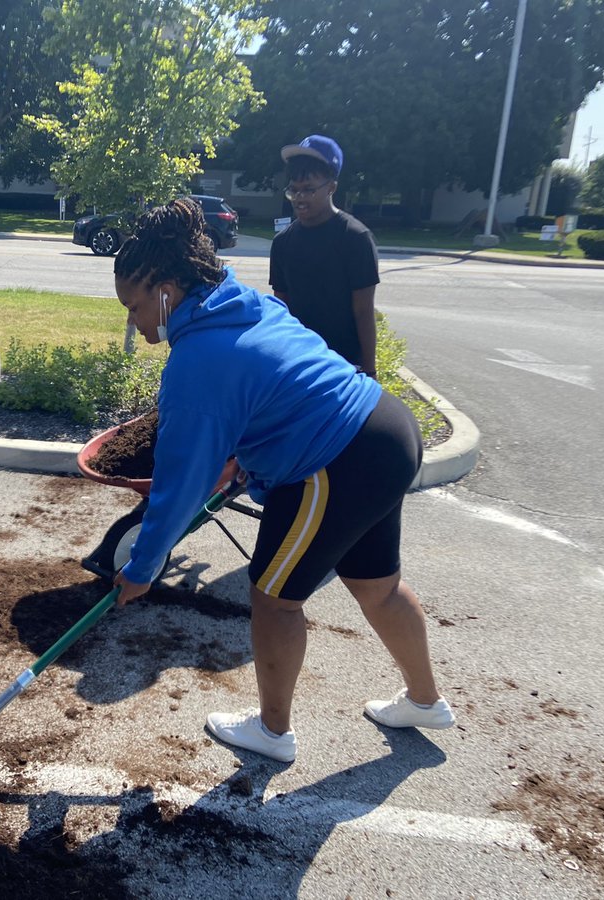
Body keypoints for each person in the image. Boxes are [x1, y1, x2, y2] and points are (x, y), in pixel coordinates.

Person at [112, 198, 453, 763]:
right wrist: (253, 454)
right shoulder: (239, 305)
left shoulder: (197, 359)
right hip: (385, 429)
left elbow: (180, 485)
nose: (135, 320)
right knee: (377, 587)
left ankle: (272, 733)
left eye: (136, 304)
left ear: (168, 289)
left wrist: (142, 568)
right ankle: (424, 701)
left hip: (336, 456)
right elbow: (275, 388)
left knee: (273, 599)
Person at [270, 134, 380, 378]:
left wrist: (369, 370)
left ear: (332, 187)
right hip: (298, 362)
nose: (299, 198)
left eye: (308, 190)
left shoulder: (355, 238)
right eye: (294, 191)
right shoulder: (282, 243)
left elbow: (363, 311)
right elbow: (282, 307)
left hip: (344, 365)